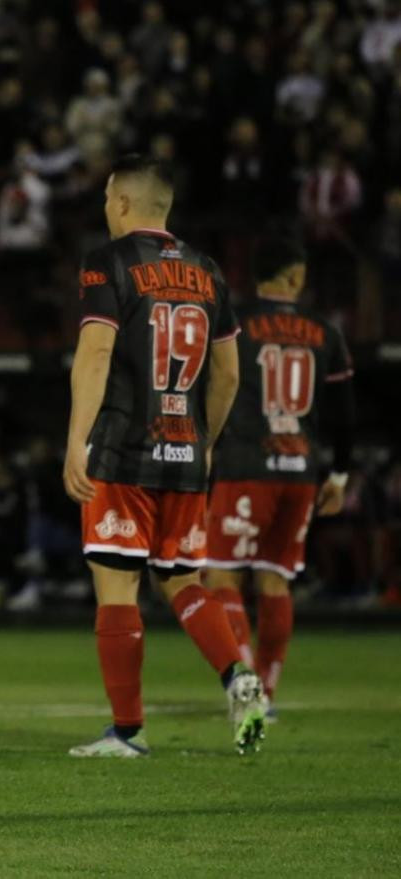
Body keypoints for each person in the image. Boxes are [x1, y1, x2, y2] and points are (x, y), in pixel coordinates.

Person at [62, 154, 267, 758]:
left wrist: (77, 440)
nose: (104, 208)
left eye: (106, 198)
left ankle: (127, 732)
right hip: (184, 453)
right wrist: (205, 440)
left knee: (118, 588)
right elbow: (228, 373)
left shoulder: (107, 264)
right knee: (182, 580)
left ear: (123, 203)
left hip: (124, 451)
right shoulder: (208, 271)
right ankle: (239, 676)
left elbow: (96, 354)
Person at [204, 236, 354, 712]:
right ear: (295, 277)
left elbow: (216, 383)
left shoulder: (236, 323)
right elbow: (343, 415)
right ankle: (265, 691)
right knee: (275, 580)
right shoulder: (326, 332)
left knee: (222, 577)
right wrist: (340, 476)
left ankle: (244, 683)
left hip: (245, 466)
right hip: (301, 472)